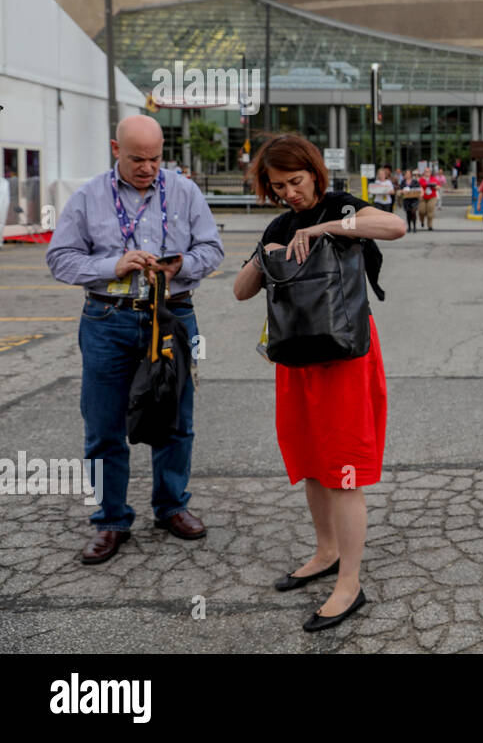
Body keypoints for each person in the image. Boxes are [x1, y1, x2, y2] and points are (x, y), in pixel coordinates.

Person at [232, 134, 405, 631]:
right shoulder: (281, 222)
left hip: (345, 358)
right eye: (278, 185)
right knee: (310, 462)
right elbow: (242, 292)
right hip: (296, 360)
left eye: (296, 181)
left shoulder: (339, 205)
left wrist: (328, 227)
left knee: (343, 470)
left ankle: (349, 583)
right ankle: (326, 552)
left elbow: (394, 225)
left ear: (315, 173)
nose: (289, 193)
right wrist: (265, 255)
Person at [46, 115, 224, 564]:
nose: (148, 167)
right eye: (137, 159)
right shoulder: (88, 197)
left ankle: (171, 507)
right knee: (104, 426)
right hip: (109, 318)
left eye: (155, 158)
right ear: (115, 149)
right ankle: (111, 520)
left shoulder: (185, 191)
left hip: (172, 317)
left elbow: (213, 249)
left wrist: (179, 264)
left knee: (175, 419)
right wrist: (113, 265)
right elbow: (61, 259)